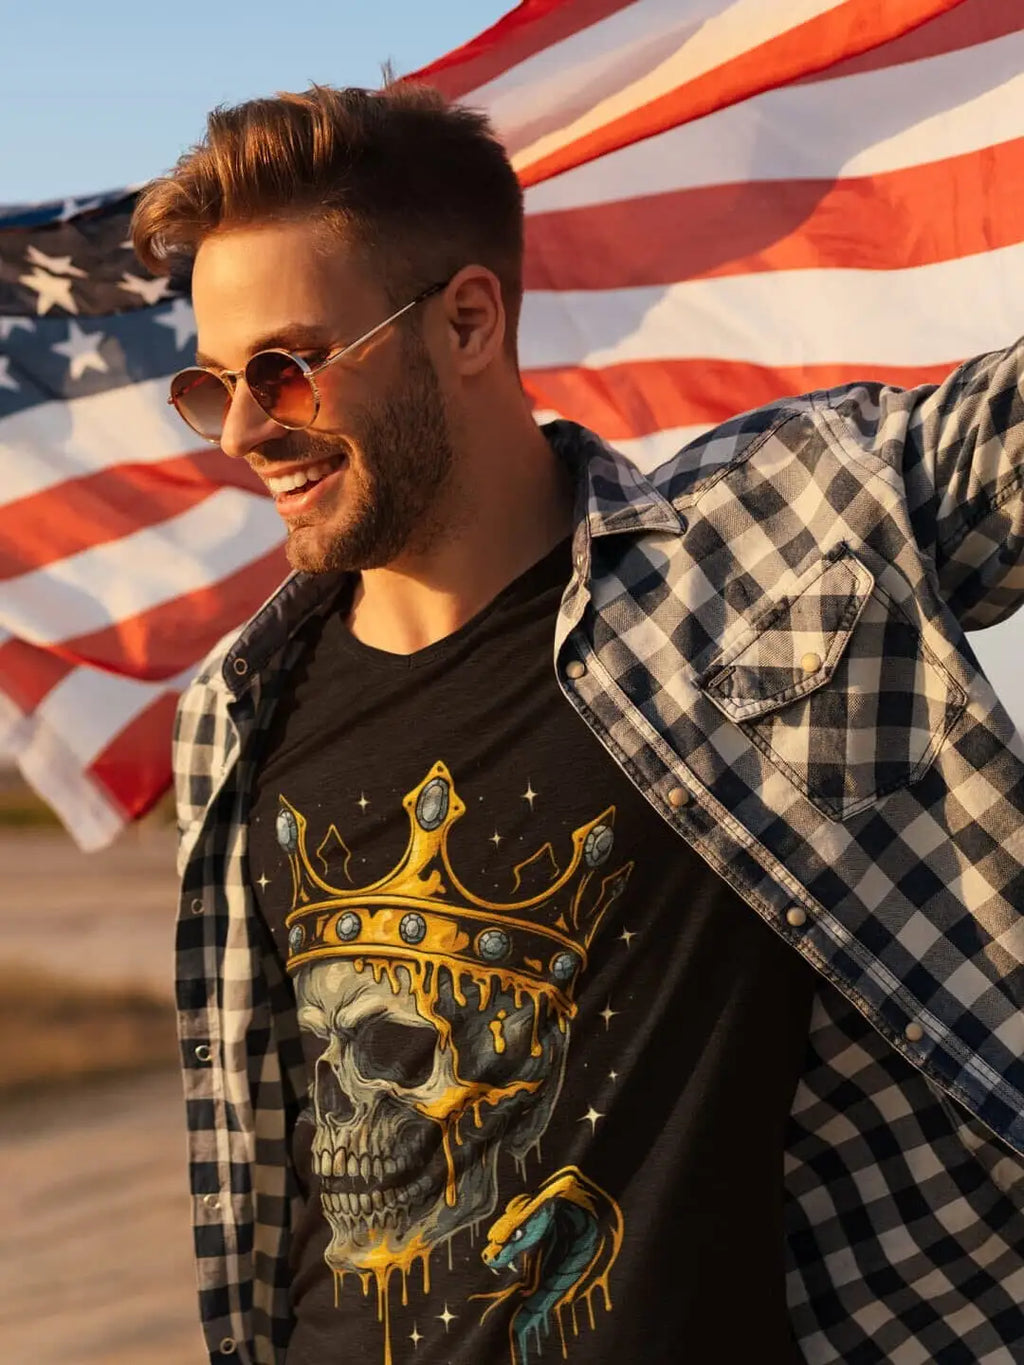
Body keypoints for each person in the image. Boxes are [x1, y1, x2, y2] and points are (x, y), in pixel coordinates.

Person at [132, 82, 1024, 1365]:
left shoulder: (760, 551)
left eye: (284, 369)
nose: (241, 432)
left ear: (468, 321)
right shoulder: (232, 716)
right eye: (210, 384)